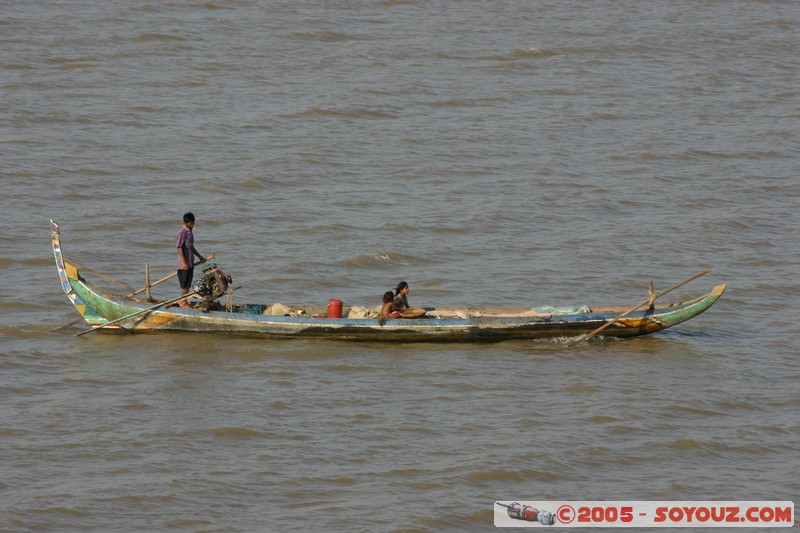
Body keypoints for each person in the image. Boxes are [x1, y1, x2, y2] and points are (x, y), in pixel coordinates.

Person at [176, 212, 206, 308]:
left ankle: (184, 301)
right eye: (191, 223)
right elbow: (179, 247)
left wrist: (200, 257)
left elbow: (190, 247)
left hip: (190, 263)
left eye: (193, 223)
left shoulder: (189, 232)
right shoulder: (183, 232)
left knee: (188, 284)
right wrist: (184, 262)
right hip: (184, 264)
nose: (193, 225)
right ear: (186, 223)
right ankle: (183, 302)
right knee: (185, 285)